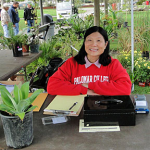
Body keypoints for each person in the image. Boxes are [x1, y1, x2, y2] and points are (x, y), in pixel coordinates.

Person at [47, 26, 132, 96]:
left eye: (98, 40)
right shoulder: (71, 63)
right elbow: (52, 86)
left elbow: (125, 88)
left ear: (105, 44)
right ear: (84, 43)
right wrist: (85, 91)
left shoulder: (113, 64)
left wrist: (90, 85)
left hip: (104, 110)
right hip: (77, 110)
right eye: (89, 40)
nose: (94, 44)